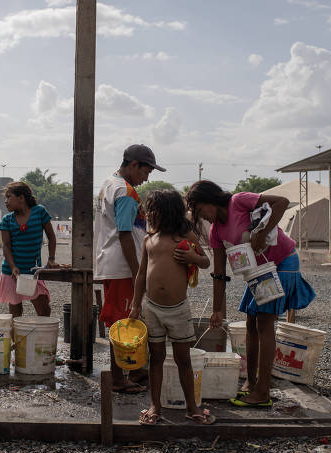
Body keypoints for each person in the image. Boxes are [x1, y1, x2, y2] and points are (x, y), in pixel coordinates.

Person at [185, 180, 315, 407]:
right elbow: (218, 273)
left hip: (282, 261)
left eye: (200, 210)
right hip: (259, 272)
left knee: (264, 323)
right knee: (251, 323)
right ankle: (252, 383)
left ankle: (263, 392)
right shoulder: (216, 231)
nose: (202, 218)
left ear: (210, 200)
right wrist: (216, 309)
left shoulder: (239, 201)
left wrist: (262, 232)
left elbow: (282, 202)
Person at [128, 190, 214, 425]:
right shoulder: (149, 240)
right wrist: (136, 305)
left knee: (183, 359)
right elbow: (141, 275)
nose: (149, 214)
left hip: (178, 309)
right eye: (149, 210)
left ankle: (191, 407)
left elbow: (205, 261)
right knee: (155, 358)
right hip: (152, 308)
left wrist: (191, 257)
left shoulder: (184, 236)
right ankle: (155, 406)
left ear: (169, 213)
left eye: (154, 210)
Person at [94, 144, 165, 394]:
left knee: (128, 317)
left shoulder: (110, 184)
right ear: (133, 165)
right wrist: (138, 273)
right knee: (122, 321)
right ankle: (117, 378)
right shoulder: (124, 192)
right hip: (122, 266)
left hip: (114, 263)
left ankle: (134, 370)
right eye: (145, 172)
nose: (146, 178)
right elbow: (124, 234)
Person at [0, 181, 58, 318]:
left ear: (21, 198)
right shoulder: (7, 220)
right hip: (12, 272)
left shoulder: (40, 212)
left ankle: (42, 339)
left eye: (9, 197)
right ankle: (17, 340)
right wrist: (13, 267)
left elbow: (51, 237)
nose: (6, 201)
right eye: (5, 198)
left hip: (33, 271)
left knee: (44, 311)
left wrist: (51, 259)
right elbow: (6, 246)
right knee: (15, 313)